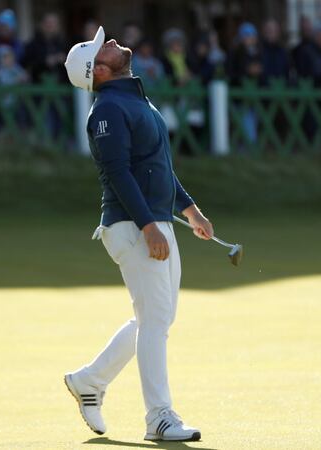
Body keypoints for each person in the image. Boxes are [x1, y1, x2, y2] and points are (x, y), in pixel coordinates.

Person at [63, 26, 212, 442]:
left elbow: (158, 163)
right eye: (102, 47)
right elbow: (118, 172)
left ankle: (89, 381)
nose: (110, 43)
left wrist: (189, 208)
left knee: (157, 319)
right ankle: (159, 417)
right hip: (132, 224)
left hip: (152, 219)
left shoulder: (132, 99)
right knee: (155, 321)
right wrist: (148, 225)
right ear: (100, 70)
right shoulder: (106, 109)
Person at [22, 12, 67, 83]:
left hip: (61, 87)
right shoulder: (32, 44)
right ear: (42, 25)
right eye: (48, 23)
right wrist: (44, 61)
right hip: (38, 86)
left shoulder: (64, 44)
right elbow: (26, 64)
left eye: (53, 23)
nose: (50, 26)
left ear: (58, 26)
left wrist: (65, 59)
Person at [260, 19, 291, 83]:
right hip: (262, 89)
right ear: (264, 31)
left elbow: (287, 71)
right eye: (269, 30)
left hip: (280, 88)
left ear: (278, 32)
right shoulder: (258, 51)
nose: (271, 33)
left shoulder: (283, 52)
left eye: (274, 31)